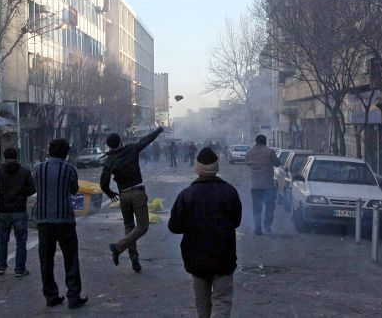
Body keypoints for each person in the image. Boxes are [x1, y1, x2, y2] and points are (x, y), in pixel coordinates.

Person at [169, 148, 242, 318]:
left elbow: (174, 227)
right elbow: (236, 222)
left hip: (196, 258)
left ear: (197, 168)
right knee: (222, 302)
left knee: (202, 303)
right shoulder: (229, 192)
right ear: (216, 168)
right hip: (224, 257)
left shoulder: (186, 195)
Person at [100, 127, 164, 272]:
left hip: (123, 195)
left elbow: (103, 183)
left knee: (129, 226)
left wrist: (110, 193)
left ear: (109, 145)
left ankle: (134, 257)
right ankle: (119, 246)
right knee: (142, 226)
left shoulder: (110, 160)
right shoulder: (130, 150)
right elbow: (145, 140)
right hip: (137, 192)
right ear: (121, 141)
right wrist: (158, 131)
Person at [34, 139, 88, 309]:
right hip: (65, 220)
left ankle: (51, 296)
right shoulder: (69, 169)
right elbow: (73, 190)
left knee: (46, 259)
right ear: (66, 153)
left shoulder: (38, 169)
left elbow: (35, 187)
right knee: (70, 258)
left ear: (49, 151)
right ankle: (73, 296)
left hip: (43, 220)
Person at [0, 148, 35, 277]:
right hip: (19, 210)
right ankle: (20, 269)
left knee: (2, 240)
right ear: (16, 156)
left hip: (4, 211)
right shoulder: (24, 171)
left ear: (4, 157)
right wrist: (22, 194)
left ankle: (1, 267)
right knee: (21, 241)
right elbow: (32, 189)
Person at [245, 135, 281, 235]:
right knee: (270, 207)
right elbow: (277, 163)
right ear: (265, 142)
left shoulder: (249, 152)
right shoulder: (270, 151)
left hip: (255, 186)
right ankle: (267, 225)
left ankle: (258, 228)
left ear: (256, 142)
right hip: (268, 186)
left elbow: (247, 163)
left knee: (256, 208)